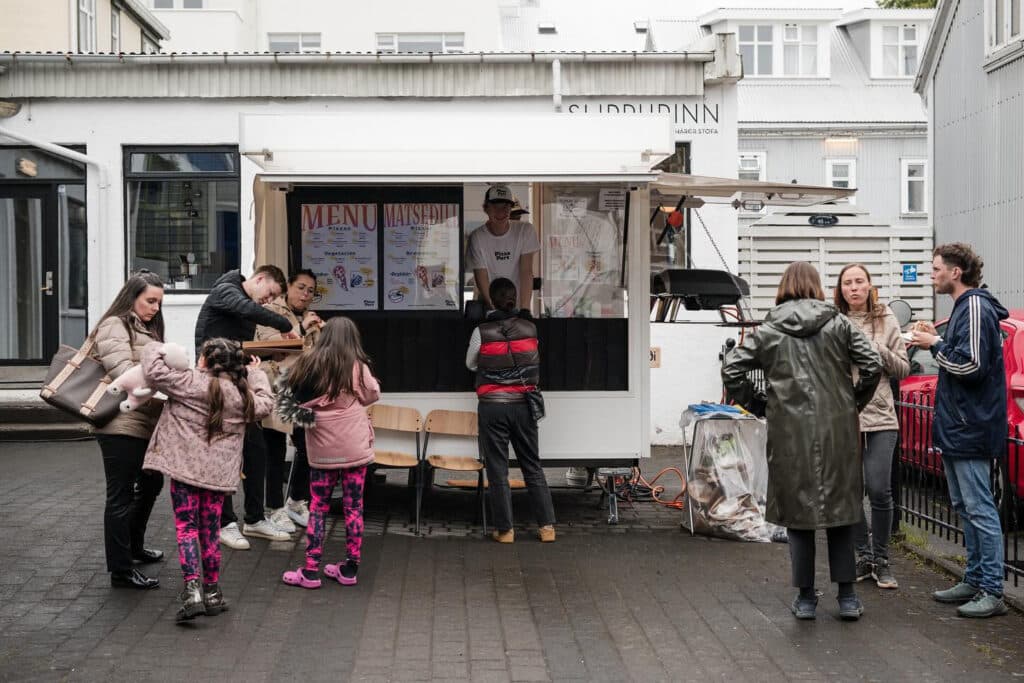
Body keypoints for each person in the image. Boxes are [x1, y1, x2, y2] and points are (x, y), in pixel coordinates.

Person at [722, 262, 881, 621]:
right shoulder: (839, 324)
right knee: (841, 511)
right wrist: (853, 402)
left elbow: (732, 368)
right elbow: (872, 364)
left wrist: (758, 403)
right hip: (838, 429)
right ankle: (847, 597)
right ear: (817, 287)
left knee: (798, 514)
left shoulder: (769, 330)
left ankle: (807, 598)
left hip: (788, 430)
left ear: (784, 287)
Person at [140, 338, 273, 621]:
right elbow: (266, 404)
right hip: (217, 478)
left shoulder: (188, 382)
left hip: (184, 472)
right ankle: (212, 591)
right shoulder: (242, 397)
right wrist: (257, 374)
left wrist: (156, 346)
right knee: (210, 531)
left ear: (203, 361)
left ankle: (192, 591)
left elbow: (153, 371)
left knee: (186, 528)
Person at [911, 243, 1009, 618]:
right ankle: (974, 577)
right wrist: (937, 341)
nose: (932, 274)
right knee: (964, 506)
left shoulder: (974, 307)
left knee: (980, 508)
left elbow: (972, 367)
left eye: (936, 269)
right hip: (959, 425)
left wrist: (933, 343)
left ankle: (992, 590)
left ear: (956, 272)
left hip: (970, 425)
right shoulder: (964, 308)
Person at [194, 264, 297, 549]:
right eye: (270, 293)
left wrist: (267, 352)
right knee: (223, 454)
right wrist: (285, 325)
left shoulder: (243, 301)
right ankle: (224, 523)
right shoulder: (226, 290)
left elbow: (237, 345)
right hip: (215, 385)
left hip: (237, 383)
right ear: (260, 279)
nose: (268, 300)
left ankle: (253, 519)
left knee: (256, 449)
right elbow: (247, 310)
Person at [279, 317, 379, 589]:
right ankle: (349, 568)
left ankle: (310, 570)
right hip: (354, 449)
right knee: (354, 507)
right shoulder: (357, 367)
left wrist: (312, 419)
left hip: (322, 451)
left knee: (319, 508)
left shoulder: (307, 364)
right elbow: (372, 395)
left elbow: (285, 401)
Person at [91, 270, 167, 590]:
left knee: (151, 482)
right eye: (150, 301)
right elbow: (123, 371)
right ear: (132, 296)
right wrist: (164, 383)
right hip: (119, 423)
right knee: (120, 496)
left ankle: (134, 548)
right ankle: (121, 570)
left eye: (159, 303)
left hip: (143, 422)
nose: (155, 308)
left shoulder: (146, 328)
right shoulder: (115, 325)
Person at [835, 264, 909, 590]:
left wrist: (876, 348)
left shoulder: (886, 318)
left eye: (859, 281)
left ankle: (882, 559)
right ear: (840, 289)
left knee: (879, 488)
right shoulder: (833, 322)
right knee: (850, 492)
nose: (854, 288)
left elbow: (903, 368)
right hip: (843, 417)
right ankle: (862, 556)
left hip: (880, 416)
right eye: (848, 283)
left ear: (869, 285)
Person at [465, 277, 556, 543]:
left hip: (492, 407)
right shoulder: (531, 329)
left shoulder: (481, 331)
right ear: (515, 298)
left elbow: (471, 364)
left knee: (497, 467)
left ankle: (505, 530)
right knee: (532, 465)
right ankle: (547, 527)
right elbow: (532, 361)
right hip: (524, 406)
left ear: (491, 300)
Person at [255, 269, 323, 533]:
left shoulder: (309, 318)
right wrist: (300, 329)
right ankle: (273, 508)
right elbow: (271, 347)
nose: (305, 295)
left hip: (304, 391)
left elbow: (317, 355)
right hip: (277, 388)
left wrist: (320, 334)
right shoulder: (270, 312)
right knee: (275, 451)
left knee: (307, 449)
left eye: (310, 291)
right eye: (301, 288)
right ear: (288, 288)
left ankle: (296, 501)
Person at [466, 184, 540, 311]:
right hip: (489, 308)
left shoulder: (525, 231)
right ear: (486, 209)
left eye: (506, 206)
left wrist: (525, 310)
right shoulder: (477, 237)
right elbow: (481, 277)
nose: (501, 211)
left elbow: (526, 271)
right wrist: (494, 309)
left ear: (511, 208)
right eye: (495, 206)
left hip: (516, 308)